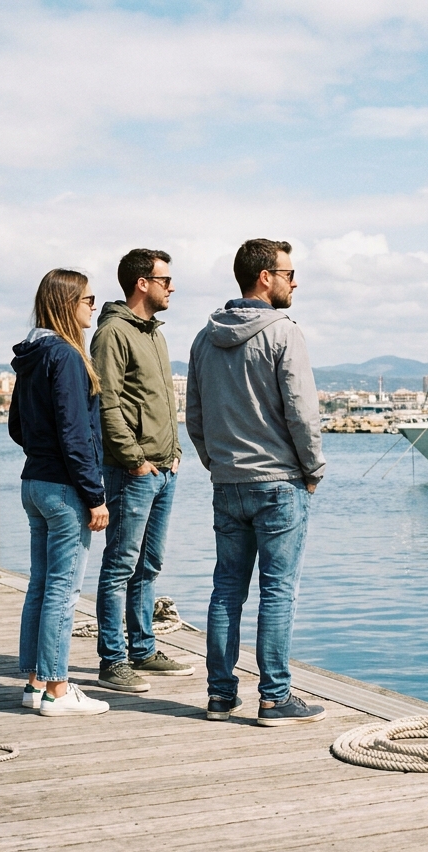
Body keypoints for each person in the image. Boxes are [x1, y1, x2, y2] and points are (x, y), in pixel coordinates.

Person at [186, 239, 327, 726]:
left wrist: (216, 463)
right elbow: (303, 412)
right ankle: (274, 698)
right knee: (277, 591)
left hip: (228, 483)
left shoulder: (204, 339)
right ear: (264, 277)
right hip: (279, 482)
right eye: (289, 272)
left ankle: (221, 696)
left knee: (226, 589)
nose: (295, 282)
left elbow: (195, 417)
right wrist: (313, 469)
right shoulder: (284, 333)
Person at [91, 248, 193, 693]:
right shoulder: (114, 333)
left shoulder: (154, 333)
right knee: (119, 566)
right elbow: (106, 403)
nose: (172, 287)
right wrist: (136, 460)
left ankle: (144, 650)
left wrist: (174, 454)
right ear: (142, 283)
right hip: (133, 472)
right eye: (165, 280)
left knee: (149, 565)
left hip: (163, 469)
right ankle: (113, 661)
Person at [9, 269, 110, 717]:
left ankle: (33, 683)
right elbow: (75, 434)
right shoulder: (66, 356)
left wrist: (41, 451)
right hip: (66, 490)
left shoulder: (31, 355)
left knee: (40, 585)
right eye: (89, 299)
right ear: (68, 303)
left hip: (34, 483)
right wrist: (95, 495)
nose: (93, 306)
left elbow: (16, 426)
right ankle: (57, 689)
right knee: (63, 592)